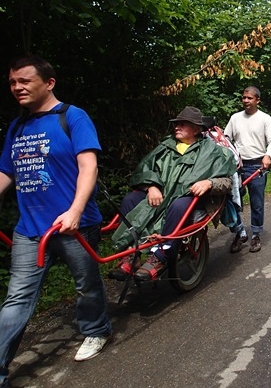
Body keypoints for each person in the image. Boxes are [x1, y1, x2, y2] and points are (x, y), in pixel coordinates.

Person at [0, 55, 112, 384]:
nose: (17, 87)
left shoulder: (72, 117)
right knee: (17, 298)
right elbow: (6, 172)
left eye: (24, 81)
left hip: (74, 224)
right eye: (12, 82)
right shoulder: (18, 126)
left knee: (86, 284)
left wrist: (76, 210)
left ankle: (97, 330)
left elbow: (88, 166)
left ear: (48, 83)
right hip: (30, 229)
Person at [109, 106, 237, 280]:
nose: (177, 127)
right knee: (130, 199)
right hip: (160, 195)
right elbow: (144, 170)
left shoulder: (213, 152)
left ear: (196, 129)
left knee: (178, 206)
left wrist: (209, 182)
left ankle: (161, 256)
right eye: (176, 124)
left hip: (188, 199)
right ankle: (132, 253)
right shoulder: (165, 147)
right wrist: (151, 186)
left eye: (183, 124)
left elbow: (227, 181)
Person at [225, 86, 271, 253]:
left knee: (257, 202)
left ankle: (255, 234)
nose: (246, 101)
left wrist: (268, 155)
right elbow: (226, 139)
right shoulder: (235, 118)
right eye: (244, 98)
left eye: (249, 98)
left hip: (257, 166)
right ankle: (240, 232)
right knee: (233, 201)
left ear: (257, 100)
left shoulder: (265, 119)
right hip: (238, 166)